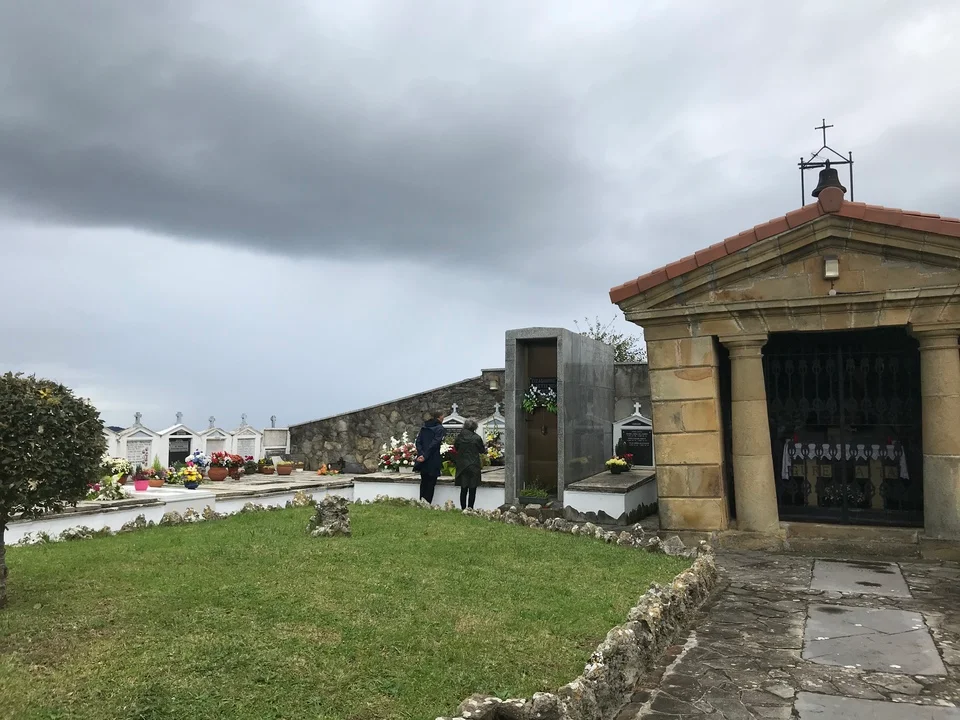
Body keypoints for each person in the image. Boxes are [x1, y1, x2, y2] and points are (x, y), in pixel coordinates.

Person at [454, 418, 486, 510]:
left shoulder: (459, 437)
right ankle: (470, 508)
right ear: (475, 427)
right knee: (472, 488)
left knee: (463, 488)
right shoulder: (477, 438)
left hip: (462, 465)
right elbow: (482, 450)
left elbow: (456, 447)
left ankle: (463, 508)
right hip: (473, 464)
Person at [415, 410, 446, 503]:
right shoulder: (439, 428)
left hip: (423, 460)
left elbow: (418, 442)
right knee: (431, 483)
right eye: (443, 416)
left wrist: (421, 454)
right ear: (439, 417)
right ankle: (427, 503)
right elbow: (434, 444)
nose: (443, 418)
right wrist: (425, 455)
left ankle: (421, 501)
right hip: (432, 458)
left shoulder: (425, 427)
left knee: (424, 482)